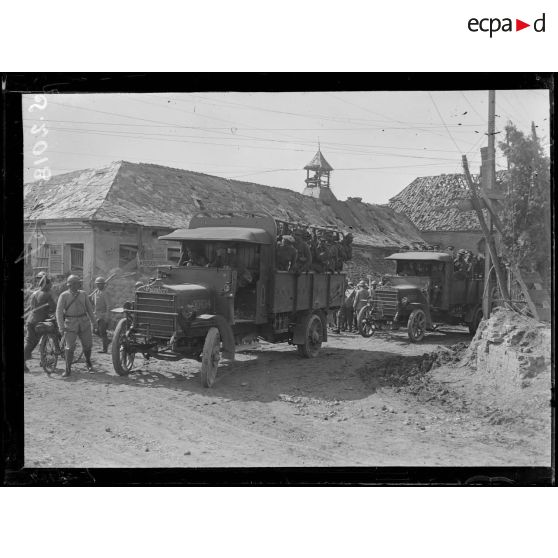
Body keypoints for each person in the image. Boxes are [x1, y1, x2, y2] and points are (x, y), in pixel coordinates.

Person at [56, 275, 96, 377]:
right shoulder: (64, 295)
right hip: (70, 323)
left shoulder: (83, 294)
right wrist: (61, 326)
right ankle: (68, 369)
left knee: (87, 345)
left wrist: (94, 322)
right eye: (74, 284)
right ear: (70, 285)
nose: (76, 286)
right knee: (69, 347)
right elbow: (59, 312)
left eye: (78, 284)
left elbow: (89, 309)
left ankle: (88, 363)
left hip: (84, 322)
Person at [24, 273, 57, 372]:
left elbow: (31, 307)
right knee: (54, 332)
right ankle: (50, 356)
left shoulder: (35, 293)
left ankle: (43, 359)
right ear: (46, 284)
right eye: (50, 283)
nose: (51, 285)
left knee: (31, 342)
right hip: (39, 322)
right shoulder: (47, 294)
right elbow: (54, 308)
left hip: (30, 320)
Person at [89, 276, 112, 353]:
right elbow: (93, 303)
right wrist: (89, 299)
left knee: (103, 332)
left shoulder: (105, 293)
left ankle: (105, 349)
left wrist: (107, 317)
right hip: (96, 315)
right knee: (94, 331)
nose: (99, 285)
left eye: (100, 284)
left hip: (103, 315)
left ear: (103, 284)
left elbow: (109, 306)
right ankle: (107, 341)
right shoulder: (96, 292)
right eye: (98, 284)